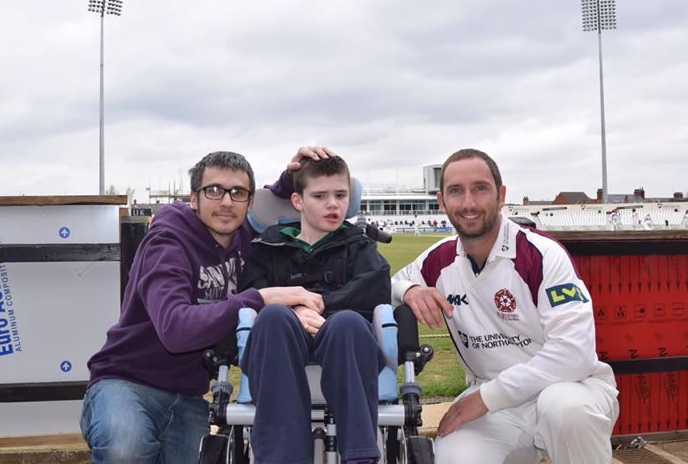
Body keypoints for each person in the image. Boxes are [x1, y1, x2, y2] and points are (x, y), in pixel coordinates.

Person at [80, 146, 333, 464]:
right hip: (126, 382)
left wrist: (291, 178)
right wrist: (259, 299)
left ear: (249, 202)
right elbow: (176, 330)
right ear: (194, 198)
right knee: (125, 450)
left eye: (237, 192)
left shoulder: (246, 240)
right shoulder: (167, 243)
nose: (226, 202)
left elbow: (278, 206)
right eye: (214, 190)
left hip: (189, 395)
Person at [391, 148, 619, 464]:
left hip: (570, 387)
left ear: (501, 195)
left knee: (567, 411)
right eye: (456, 191)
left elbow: (574, 353)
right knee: (454, 457)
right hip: (495, 404)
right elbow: (387, 284)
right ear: (442, 201)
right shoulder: (437, 260)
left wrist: (487, 397)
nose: (468, 203)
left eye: (480, 189)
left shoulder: (541, 254)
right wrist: (408, 289)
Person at [239, 155, 391, 464]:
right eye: (320, 196)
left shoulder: (359, 245)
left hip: (343, 340)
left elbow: (375, 287)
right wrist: (295, 307)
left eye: (341, 195)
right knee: (273, 317)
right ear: (297, 200)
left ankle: (360, 456)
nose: (333, 204)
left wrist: (321, 304)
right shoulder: (269, 246)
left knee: (347, 322)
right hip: (282, 339)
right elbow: (250, 293)